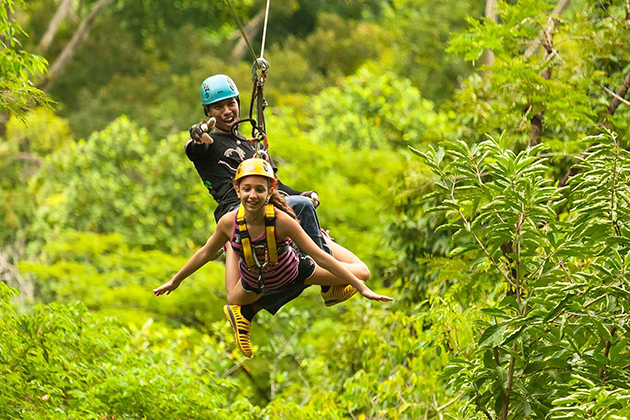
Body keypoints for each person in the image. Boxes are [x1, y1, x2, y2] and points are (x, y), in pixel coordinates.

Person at [154, 158, 392, 357]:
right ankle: (236, 250)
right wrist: (176, 280)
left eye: (260, 189)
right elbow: (205, 253)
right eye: (247, 189)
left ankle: (324, 241)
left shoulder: (282, 221)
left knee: (362, 272)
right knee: (232, 297)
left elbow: (319, 256)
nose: (253, 195)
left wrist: (361, 288)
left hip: (298, 273)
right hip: (255, 284)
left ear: (271, 190)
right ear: (237, 190)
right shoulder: (228, 222)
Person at [186, 75, 363, 318]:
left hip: (266, 206)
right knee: (301, 209)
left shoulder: (249, 145)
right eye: (218, 107)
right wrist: (199, 133)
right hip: (237, 210)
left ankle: (251, 309)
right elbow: (196, 149)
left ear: (239, 102)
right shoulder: (210, 143)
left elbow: (273, 188)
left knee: (295, 266)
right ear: (208, 111)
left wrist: (302, 194)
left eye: (230, 104)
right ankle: (327, 281)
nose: (226, 111)